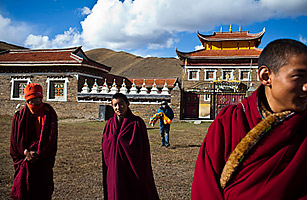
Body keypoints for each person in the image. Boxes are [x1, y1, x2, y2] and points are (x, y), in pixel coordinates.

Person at [191, 39, 307, 200]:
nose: (306, 86)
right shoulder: (230, 120)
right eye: (298, 77)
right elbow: (205, 185)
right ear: (265, 76)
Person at [101, 93, 159, 200]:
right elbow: (106, 145)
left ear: (128, 104)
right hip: (114, 167)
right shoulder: (110, 124)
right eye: (115, 105)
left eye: (121, 104)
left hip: (132, 167)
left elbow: (143, 149)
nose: (118, 108)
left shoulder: (137, 123)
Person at [10, 83, 58, 200]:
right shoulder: (19, 116)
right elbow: (15, 140)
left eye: (38, 99)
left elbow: (51, 138)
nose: (35, 103)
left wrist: (39, 153)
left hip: (42, 158)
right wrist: (25, 152)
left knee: (42, 190)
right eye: (32, 100)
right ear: (27, 100)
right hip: (25, 158)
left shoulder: (49, 114)